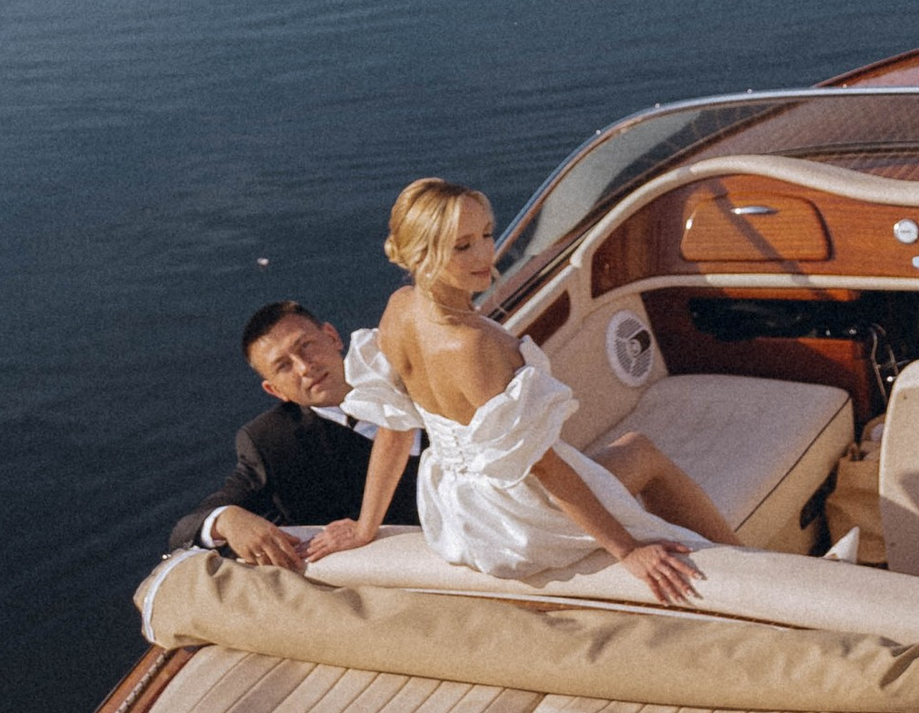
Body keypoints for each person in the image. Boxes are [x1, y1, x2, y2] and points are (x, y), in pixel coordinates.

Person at [315, 181, 738, 606]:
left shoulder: (400, 308)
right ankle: (746, 563)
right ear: (421, 255)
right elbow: (545, 468)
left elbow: (395, 428)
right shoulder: (474, 344)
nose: (485, 255)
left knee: (636, 450)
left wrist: (366, 525)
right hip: (510, 519)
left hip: (454, 509)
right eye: (462, 247)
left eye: (486, 234)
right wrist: (628, 550)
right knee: (644, 456)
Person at [167, 299, 396, 571]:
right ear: (275, 390)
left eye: (305, 346)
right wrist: (227, 520)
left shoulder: (406, 376)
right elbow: (184, 531)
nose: (304, 367)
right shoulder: (271, 442)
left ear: (332, 337)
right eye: (283, 366)